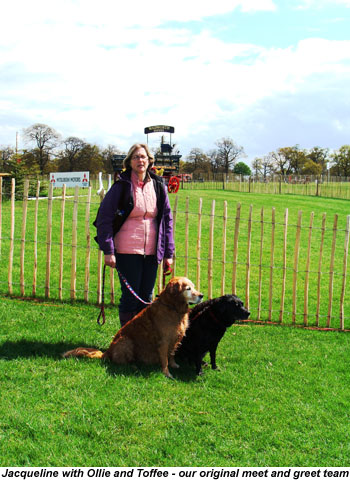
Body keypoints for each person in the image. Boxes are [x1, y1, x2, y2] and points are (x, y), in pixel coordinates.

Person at [95, 143, 175, 327]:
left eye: (143, 157)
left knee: (146, 297)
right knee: (131, 298)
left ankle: (141, 342)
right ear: (129, 162)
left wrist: (168, 254)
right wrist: (108, 250)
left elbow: (167, 220)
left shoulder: (158, 186)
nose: (140, 160)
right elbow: (104, 219)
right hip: (127, 250)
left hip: (153, 252)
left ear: (149, 161)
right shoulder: (121, 186)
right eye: (136, 157)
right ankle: (125, 340)